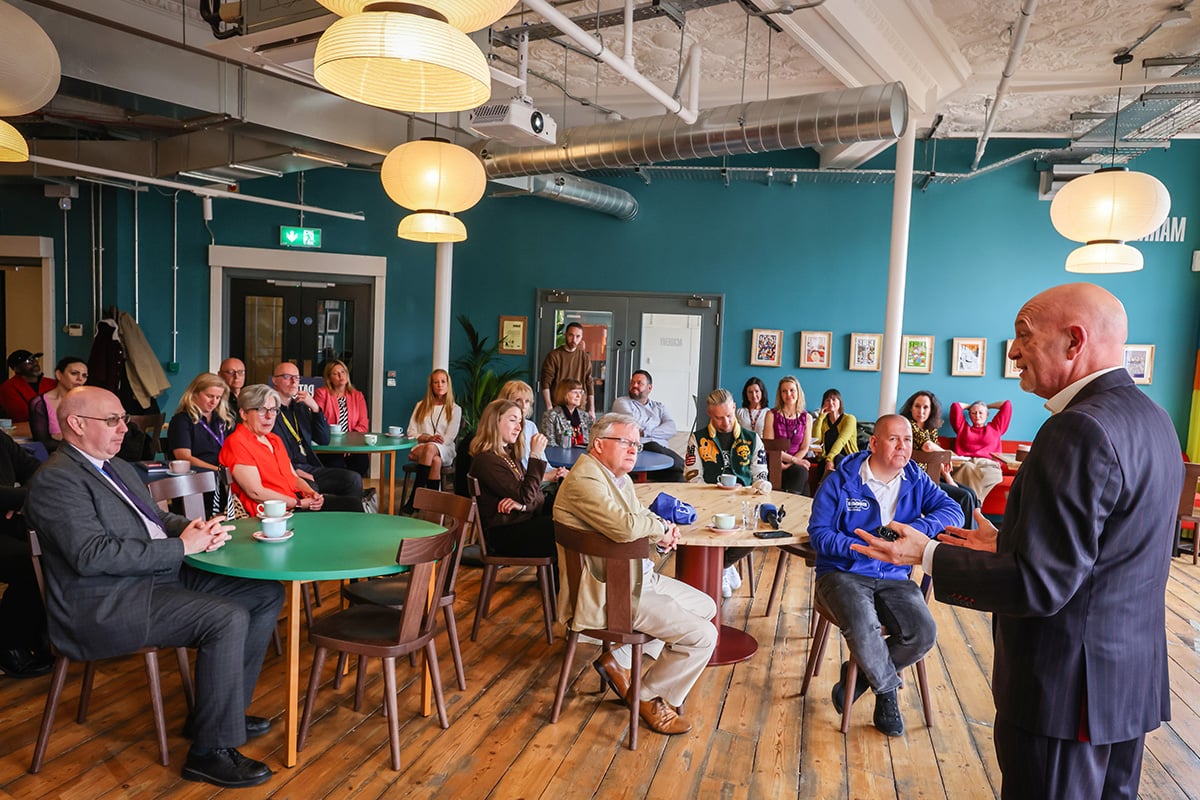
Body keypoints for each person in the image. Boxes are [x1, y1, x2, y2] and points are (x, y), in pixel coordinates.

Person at [852, 283, 1181, 799]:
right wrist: (1009, 541)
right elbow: (1106, 549)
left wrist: (930, 553)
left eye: (1023, 335)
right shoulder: (1153, 418)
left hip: (1065, 693)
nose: (1012, 352)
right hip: (1124, 686)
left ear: (1075, 341)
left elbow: (1041, 584)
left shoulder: (1077, 429)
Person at [25, 386, 283, 788]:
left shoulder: (120, 467)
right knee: (226, 618)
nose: (123, 429)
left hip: (153, 577)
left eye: (122, 419)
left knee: (263, 592)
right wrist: (181, 548)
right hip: (104, 603)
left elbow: (157, 522)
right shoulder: (56, 480)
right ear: (75, 424)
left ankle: (219, 714)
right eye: (111, 421)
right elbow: (92, 556)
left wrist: (193, 528)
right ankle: (208, 752)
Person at [553, 413, 717, 735]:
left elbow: (638, 521)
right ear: (599, 444)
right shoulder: (584, 481)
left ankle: (620, 660)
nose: (634, 449)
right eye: (626, 442)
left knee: (707, 606)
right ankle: (645, 696)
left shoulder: (620, 480)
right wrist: (659, 529)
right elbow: (626, 526)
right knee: (704, 637)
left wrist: (662, 536)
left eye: (636, 444)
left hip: (635, 578)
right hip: (610, 593)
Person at [809, 414, 962, 737]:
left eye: (907, 440)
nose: (903, 447)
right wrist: (861, 548)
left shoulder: (915, 480)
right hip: (842, 573)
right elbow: (818, 535)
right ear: (874, 443)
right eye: (894, 439)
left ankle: (862, 674)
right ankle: (887, 693)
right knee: (864, 625)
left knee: (923, 631)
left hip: (894, 576)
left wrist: (912, 531)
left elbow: (954, 511)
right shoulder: (840, 481)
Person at [684, 388, 768, 597]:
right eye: (719, 418)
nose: (725, 422)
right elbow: (692, 476)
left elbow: (760, 473)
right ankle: (723, 568)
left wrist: (761, 486)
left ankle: (722, 566)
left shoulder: (752, 438)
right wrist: (710, 496)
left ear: (734, 409)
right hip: (708, 501)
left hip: (743, 502)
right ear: (710, 415)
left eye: (729, 415)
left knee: (757, 530)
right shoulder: (698, 438)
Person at [219, 383, 327, 514]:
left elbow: (294, 478)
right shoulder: (237, 442)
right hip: (266, 514)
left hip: (291, 507)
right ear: (244, 414)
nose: (269, 416)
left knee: (350, 504)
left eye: (274, 410)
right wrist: (298, 503)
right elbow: (256, 492)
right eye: (261, 410)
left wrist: (311, 493)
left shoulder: (274, 439)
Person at [269, 362, 362, 512]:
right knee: (311, 489)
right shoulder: (269, 411)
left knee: (353, 480)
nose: (294, 382)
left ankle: (348, 526)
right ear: (274, 380)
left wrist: (315, 408)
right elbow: (267, 452)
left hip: (310, 466)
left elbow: (323, 439)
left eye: (297, 378)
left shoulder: (300, 407)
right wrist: (294, 471)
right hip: (287, 471)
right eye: (287, 377)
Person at [469, 399, 556, 559]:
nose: (519, 428)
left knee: (560, 509)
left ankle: (560, 582)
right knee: (560, 526)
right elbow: (527, 495)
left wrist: (522, 506)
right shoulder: (486, 461)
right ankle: (559, 582)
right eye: (513, 420)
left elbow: (537, 496)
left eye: (520, 422)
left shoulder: (508, 453)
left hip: (520, 522)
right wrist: (535, 455)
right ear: (495, 422)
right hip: (503, 534)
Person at [0, 428, 51, 678]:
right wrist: (21, 499)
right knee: (33, 564)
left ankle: (37, 631)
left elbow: (39, 471)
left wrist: (22, 499)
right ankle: (8, 644)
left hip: (5, 521)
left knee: (58, 547)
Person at [898, 390, 979, 527]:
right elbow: (928, 447)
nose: (921, 411)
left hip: (932, 475)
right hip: (917, 478)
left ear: (931, 410)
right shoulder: (908, 425)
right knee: (964, 497)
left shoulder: (931, 429)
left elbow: (937, 458)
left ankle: (973, 534)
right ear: (911, 407)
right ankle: (964, 537)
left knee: (970, 493)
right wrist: (947, 454)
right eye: (917, 406)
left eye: (926, 407)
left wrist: (949, 478)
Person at [405, 369, 462, 511]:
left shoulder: (455, 409)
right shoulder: (420, 406)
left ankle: (415, 499)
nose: (439, 385)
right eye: (435, 382)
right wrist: (427, 438)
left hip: (445, 449)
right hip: (422, 445)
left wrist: (431, 444)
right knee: (434, 459)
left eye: (443, 381)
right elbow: (411, 432)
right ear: (431, 385)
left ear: (448, 384)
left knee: (431, 450)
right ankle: (433, 507)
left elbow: (450, 437)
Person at [611, 369, 684, 481]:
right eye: (632, 382)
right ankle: (687, 468)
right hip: (640, 451)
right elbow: (633, 425)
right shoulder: (622, 402)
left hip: (662, 455)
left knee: (678, 477)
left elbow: (671, 428)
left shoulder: (659, 407)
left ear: (649, 388)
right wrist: (658, 427)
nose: (634, 385)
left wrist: (646, 431)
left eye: (639, 383)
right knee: (653, 445)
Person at [498, 379, 568, 481]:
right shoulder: (504, 429)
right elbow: (517, 476)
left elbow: (543, 461)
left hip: (540, 479)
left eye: (527, 401)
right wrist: (547, 477)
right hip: (527, 484)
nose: (523, 405)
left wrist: (558, 472)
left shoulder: (531, 426)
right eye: (518, 400)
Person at [167, 373, 234, 472]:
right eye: (209, 396)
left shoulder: (222, 419)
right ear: (194, 394)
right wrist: (220, 471)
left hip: (225, 471)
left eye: (218, 397)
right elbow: (184, 458)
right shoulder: (181, 420)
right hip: (199, 476)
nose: (214, 402)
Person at [313, 359, 370, 476]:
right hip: (330, 444)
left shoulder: (357, 395)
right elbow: (318, 421)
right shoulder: (322, 393)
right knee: (335, 464)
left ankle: (354, 491)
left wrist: (349, 444)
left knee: (362, 462)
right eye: (335, 373)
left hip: (353, 445)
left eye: (343, 372)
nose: (340, 376)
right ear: (329, 378)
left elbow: (363, 424)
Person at [949, 398, 1011, 502]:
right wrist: (971, 406)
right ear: (969, 415)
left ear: (987, 415)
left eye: (981, 413)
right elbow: (956, 406)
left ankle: (968, 505)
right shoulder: (962, 428)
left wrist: (987, 406)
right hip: (966, 464)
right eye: (974, 413)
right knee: (968, 468)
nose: (977, 416)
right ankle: (975, 506)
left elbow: (1007, 405)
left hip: (989, 466)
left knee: (976, 474)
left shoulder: (996, 427)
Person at [762, 375, 812, 495]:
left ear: (798, 392)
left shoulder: (807, 417)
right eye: (784, 391)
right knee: (801, 474)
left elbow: (804, 447)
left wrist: (792, 462)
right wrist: (791, 461)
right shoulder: (771, 414)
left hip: (796, 463)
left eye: (792, 390)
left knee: (801, 472)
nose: (788, 394)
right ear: (780, 395)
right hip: (774, 462)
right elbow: (769, 446)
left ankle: (790, 506)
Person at [29, 356, 89, 450]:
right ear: (59, 375)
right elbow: (42, 442)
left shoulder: (87, 401)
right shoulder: (40, 403)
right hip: (56, 458)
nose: (80, 379)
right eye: (74, 373)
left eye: (84, 375)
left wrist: (63, 437)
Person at [539, 321, 595, 418]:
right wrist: (549, 406)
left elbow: (589, 382)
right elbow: (545, 382)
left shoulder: (584, 357)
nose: (574, 339)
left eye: (578, 336)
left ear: (581, 338)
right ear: (565, 335)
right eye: (571, 335)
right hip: (558, 405)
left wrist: (592, 409)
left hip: (579, 406)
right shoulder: (554, 356)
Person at [811, 388, 858, 483]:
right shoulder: (823, 421)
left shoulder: (849, 419)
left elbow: (841, 440)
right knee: (822, 464)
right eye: (827, 400)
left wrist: (830, 459)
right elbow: (816, 442)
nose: (831, 402)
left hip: (847, 458)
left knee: (837, 460)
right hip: (827, 459)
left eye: (834, 399)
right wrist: (820, 418)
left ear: (840, 402)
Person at [0, 350, 55, 423]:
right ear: (16, 368)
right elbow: (21, 415)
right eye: (28, 361)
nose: (35, 363)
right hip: (25, 431)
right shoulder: (8, 387)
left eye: (35, 359)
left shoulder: (52, 383)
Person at [541, 378, 592, 449]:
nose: (579, 396)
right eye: (575, 392)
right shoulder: (551, 415)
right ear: (564, 393)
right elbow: (549, 444)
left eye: (580, 392)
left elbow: (590, 442)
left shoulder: (585, 416)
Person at [217, 358, 246, 423]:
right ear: (220, 375)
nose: (236, 376)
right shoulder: (217, 399)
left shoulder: (249, 397)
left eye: (240, 372)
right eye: (230, 372)